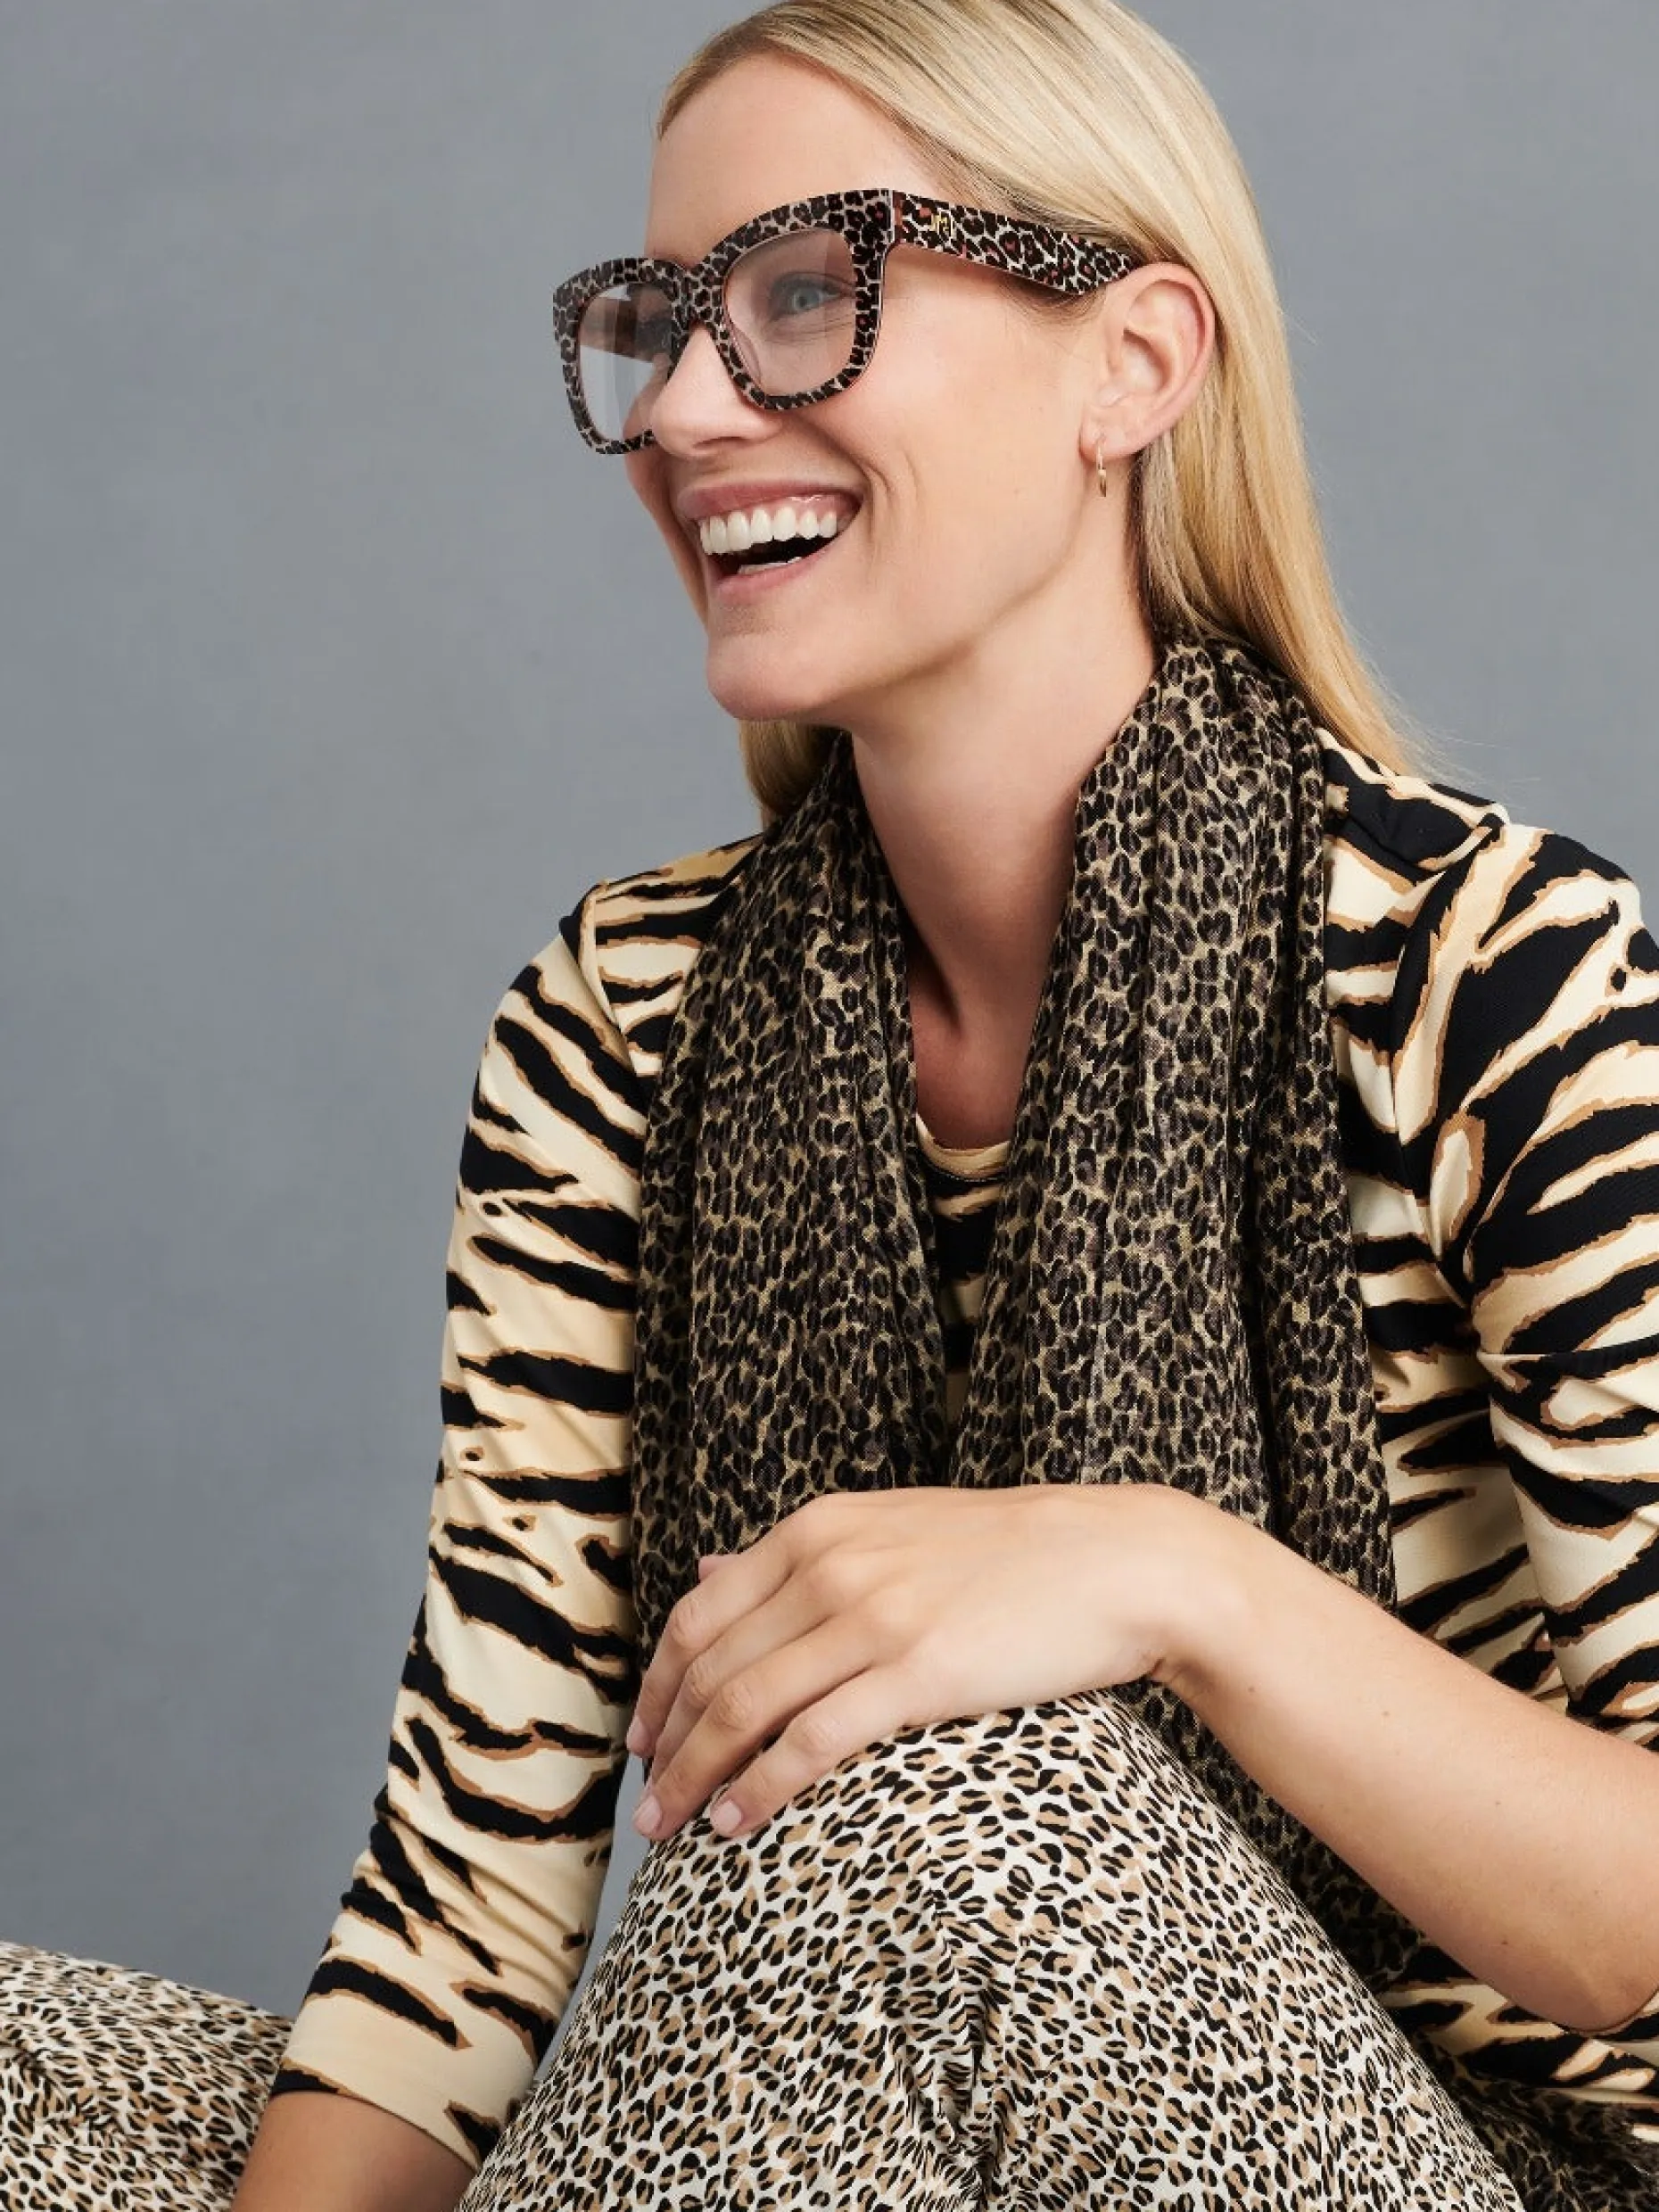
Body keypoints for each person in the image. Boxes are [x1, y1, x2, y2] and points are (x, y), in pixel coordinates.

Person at [5, 2, 1659, 2206]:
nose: (690, 409)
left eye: (804, 294)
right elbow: (459, 1928)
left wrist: (1167, 1578)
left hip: (1496, 2161)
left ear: (1134, 364)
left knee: (962, 1781)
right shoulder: (621, 1020)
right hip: (816, 2110)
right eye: (661, 320)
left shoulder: (1488, 968)